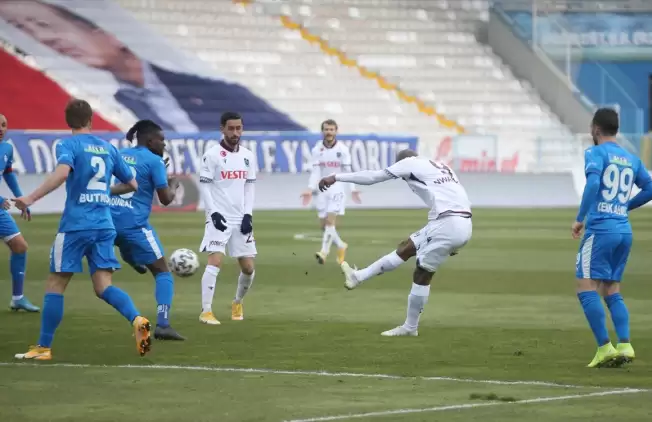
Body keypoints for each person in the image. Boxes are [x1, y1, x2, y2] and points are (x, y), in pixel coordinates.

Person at [0, 0, 305, 132]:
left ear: (100, 30)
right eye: (28, 31)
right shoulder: (117, 103)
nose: (46, 39)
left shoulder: (215, 89)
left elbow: (292, 135)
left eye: (43, 24)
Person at [13, 99, 152, 360]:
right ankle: (137, 319)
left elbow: (63, 173)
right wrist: (102, 191)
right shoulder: (108, 148)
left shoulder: (67, 144)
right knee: (103, 286)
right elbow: (132, 183)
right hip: (104, 225)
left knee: (56, 283)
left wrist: (30, 198)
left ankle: (43, 347)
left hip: (77, 225)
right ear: (90, 120)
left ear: (68, 122)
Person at [319, 149, 472, 336]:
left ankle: (410, 327)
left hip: (448, 222)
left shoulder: (409, 163)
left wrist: (336, 177)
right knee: (407, 247)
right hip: (461, 221)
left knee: (422, 272)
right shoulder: (439, 166)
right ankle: (358, 277)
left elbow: (373, 177)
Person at [572, 108, 652, 368]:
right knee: (611, 288)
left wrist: (580, 218)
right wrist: (623, 206)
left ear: (596, 129)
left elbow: (594, 185)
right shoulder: (631, 158)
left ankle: (604, 347)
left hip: (600, 230)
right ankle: (625, 344)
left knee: (585, 287)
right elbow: (651, 189)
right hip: (623, 230)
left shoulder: (595, 153)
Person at [109, 120, 184, 341]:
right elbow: (165, 200)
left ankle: (131, 258)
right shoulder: (155, 161)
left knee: (122, 243)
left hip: (108, 220)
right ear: (150, 140)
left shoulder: (120, 154)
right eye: (161, 140)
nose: (164, 144)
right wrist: (173, 184)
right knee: (162, 272)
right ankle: (163, 324)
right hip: (134, 224)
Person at [198, 112, 257, 325]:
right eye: (231, 128)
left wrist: (248, 214)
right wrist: (212, 212)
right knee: (215, 260)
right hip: (219, 216)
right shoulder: (212, 155)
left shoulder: (248, 155)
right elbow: (204, 184)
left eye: (238, 128)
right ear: (222, 129)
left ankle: (237, 301)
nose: (235, 133)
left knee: (248, 268)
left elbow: (249, 186)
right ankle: (206, 311)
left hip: (240, 217)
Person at [301, 119, 361, 265]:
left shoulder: (343, 150)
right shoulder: (317, 150)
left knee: (330, 221)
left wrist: (352, 189)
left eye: (331, 129)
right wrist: (310, 189)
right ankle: (340, 245)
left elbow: (348, 171)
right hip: (322, 190)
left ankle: (324, 252)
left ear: (336, 131)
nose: (329, 132)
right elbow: (316, 171)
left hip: (338, 189)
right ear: (322, 131)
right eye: (326, 129)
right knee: (324, 225)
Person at [0, 113, 39, 312]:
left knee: (20, 246)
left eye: (4, 125)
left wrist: (22, 199)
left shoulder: (6, 148)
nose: (1, 128)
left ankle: (18, 298)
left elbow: (7, 173)